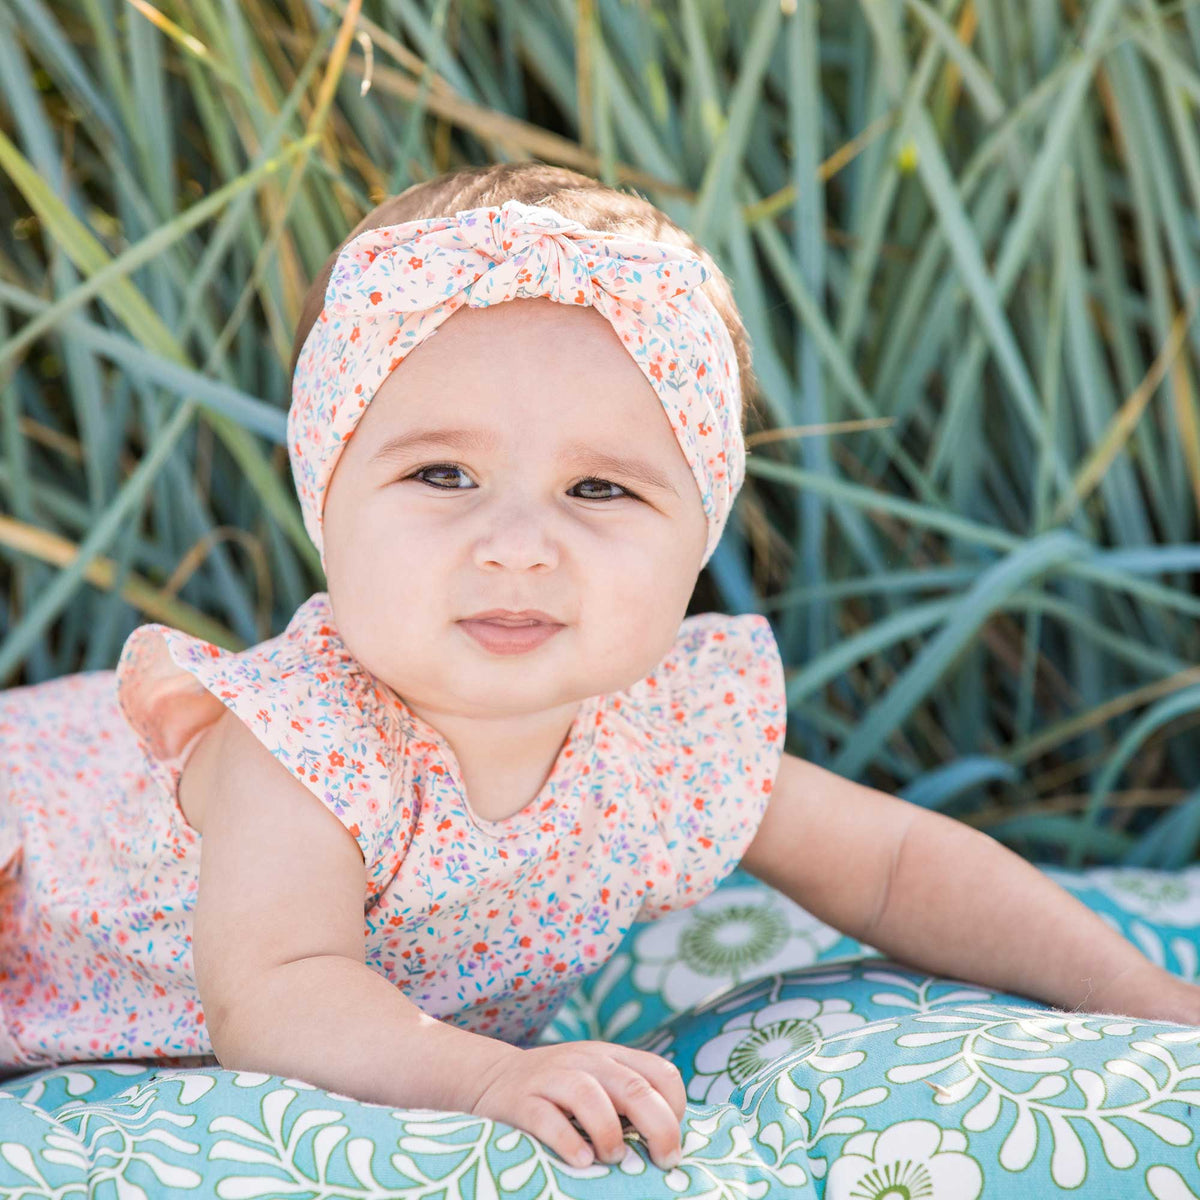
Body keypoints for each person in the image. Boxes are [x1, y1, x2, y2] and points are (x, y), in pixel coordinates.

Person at [1, 163, 1196, 1174]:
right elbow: (272, 992)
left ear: (699, 534)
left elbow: (895, 867)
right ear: (328, 500)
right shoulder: (306, 738)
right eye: (442, 476)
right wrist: (489, 1078)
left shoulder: (659, 730)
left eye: (601, 489)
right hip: (35, 879)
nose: (518, 544)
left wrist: (1152, 1004)